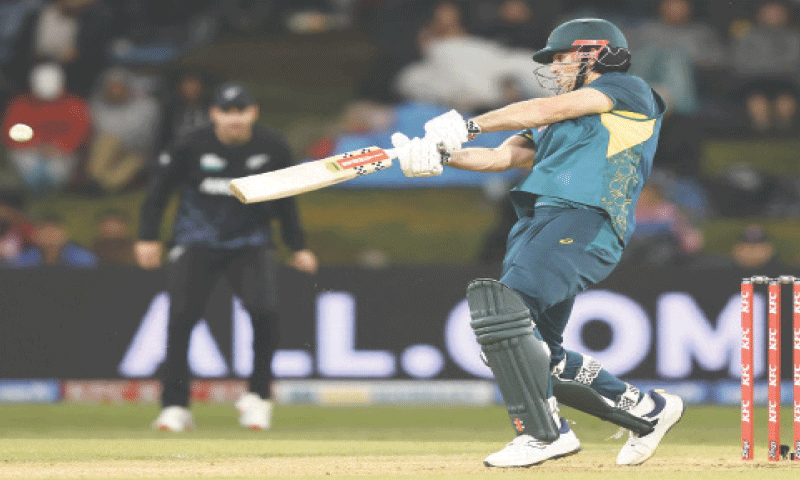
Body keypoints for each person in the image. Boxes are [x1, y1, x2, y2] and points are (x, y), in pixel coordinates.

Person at [390, 18, 683, 467]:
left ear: (595, 53)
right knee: (539, 354)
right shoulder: (555, 114)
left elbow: (542, 111)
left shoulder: (629, 90)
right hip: (537, 221)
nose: (556, 68)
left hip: (588, 217)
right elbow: (502, 156)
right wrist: (441, 155)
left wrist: (467, 125)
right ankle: (646, 410)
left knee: (505, 315)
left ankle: (546, 434)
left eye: (563, 57)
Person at [135, 81, 318, 432]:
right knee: (181, 319)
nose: (234, 120)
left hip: (251, 243)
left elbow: (286, 201)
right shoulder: (189, 144)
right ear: (214, 113)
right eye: (226, 112)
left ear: (253, 112)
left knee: (265, 314)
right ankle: (175, 407)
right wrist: (147, 237)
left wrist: (298, 245)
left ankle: (258, 399)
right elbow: (158, 192)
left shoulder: (273, 146)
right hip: (196, 241)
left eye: (241, 111)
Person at [1, 62, 91, 195]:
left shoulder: (75, 105)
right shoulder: (19, 105)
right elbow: (10, 132)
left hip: (62, 152)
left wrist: (61, 146)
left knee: (59, 169)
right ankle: (26, 191)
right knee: (25, 163)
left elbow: (81, 132)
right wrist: (33, 145)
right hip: (29, 151)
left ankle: (55, 192)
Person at [85, 66, 161, 194]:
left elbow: (146, 138)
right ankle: (94, 180)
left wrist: (121, 141)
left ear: (128, 87)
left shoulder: (148, 106)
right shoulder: (96, 105)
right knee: (105, 142)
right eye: (111, 87)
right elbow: (97, 134)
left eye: (119, 86)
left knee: (118, 175)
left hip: (138, 150)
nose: (115, 91)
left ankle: (103, 187)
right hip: (109, 147)